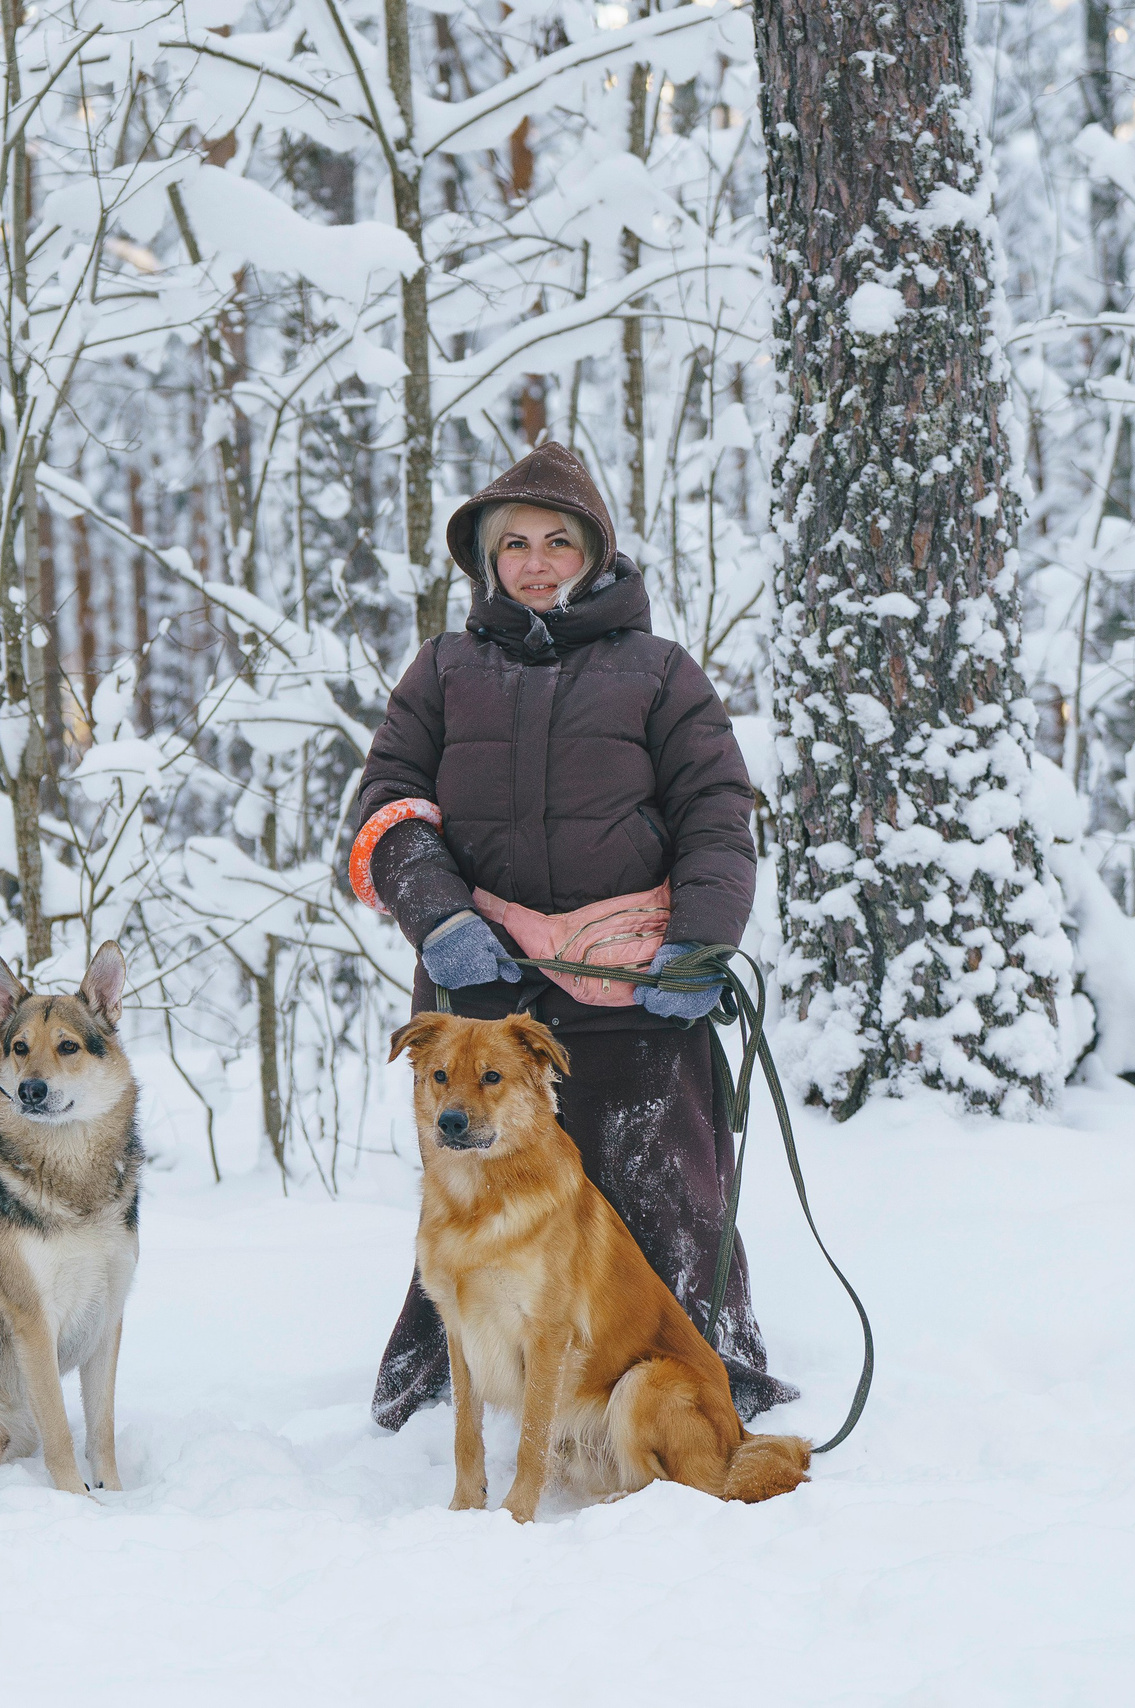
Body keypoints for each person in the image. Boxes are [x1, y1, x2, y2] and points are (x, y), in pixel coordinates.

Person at [348, 440, 797, 1429]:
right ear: (486, 558)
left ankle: (701, 1368)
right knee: (478, 1194)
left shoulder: (661, 674)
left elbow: (717, 817)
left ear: (595, 553)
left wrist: (702, 943)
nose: (537, 560)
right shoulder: (442, 670)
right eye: (515, 543)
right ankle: (449, 1381)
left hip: (634, 998)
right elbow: (387, 811)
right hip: (483, 1010)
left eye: (559, 540)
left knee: (661, 1192)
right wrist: (442, 921)